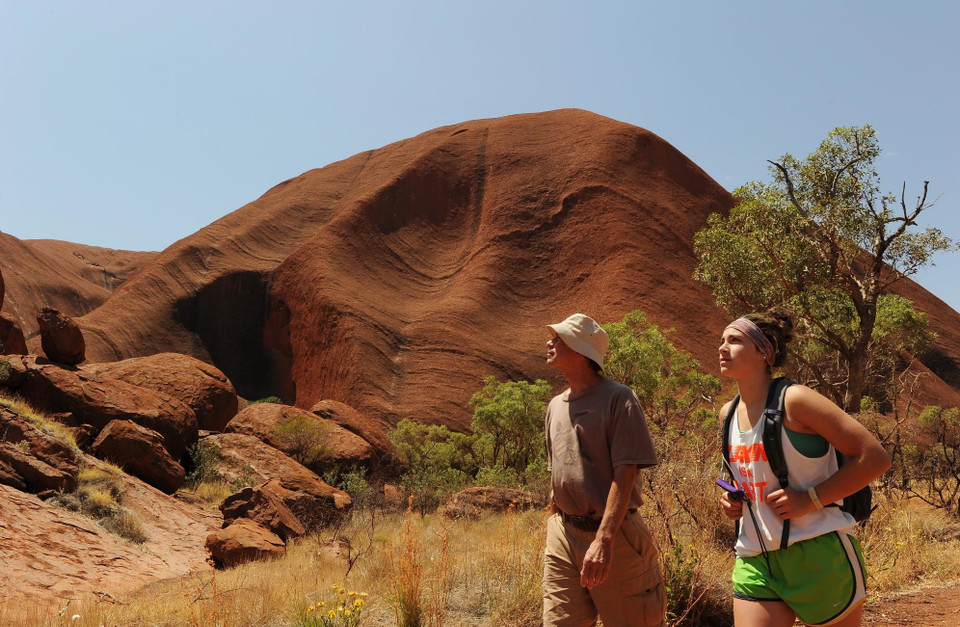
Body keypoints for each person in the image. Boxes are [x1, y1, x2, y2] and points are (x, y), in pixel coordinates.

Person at [717, 312, 891, 627]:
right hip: (756, 557)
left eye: (735, 340)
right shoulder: (727, 414)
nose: (722, 348)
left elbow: (874, 457)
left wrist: (810, 498)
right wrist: (734, 501)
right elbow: (748, 474)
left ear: (763, 353)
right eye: (722, 341)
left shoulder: (795, 400)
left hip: (819, 553)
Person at [542, 313, 667, 627]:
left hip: (615, 536)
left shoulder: (618, 398)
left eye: (558, 339)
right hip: (564, 533)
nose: (549, 343)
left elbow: (625, 473)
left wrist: (604, 539)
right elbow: (558, 470)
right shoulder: (555, 406)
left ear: (580, 351)